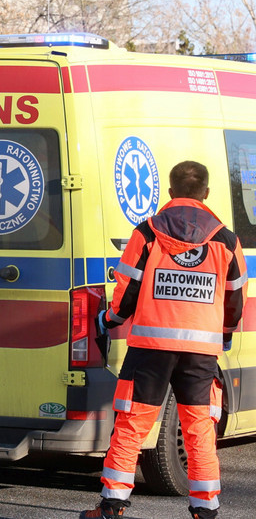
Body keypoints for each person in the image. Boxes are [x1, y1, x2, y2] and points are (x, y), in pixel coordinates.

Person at [80, 161, 246, 519]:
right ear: (206, 193)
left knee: (131, 424)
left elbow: (127, 289)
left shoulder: (148, 232)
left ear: (170, 193)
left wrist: (109, 320)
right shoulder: (227, 240)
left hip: (150, 348)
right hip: (201, 352)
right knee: (199, 427)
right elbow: (235, 298)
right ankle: (205, 509)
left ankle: (112, 506)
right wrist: (225, 335)